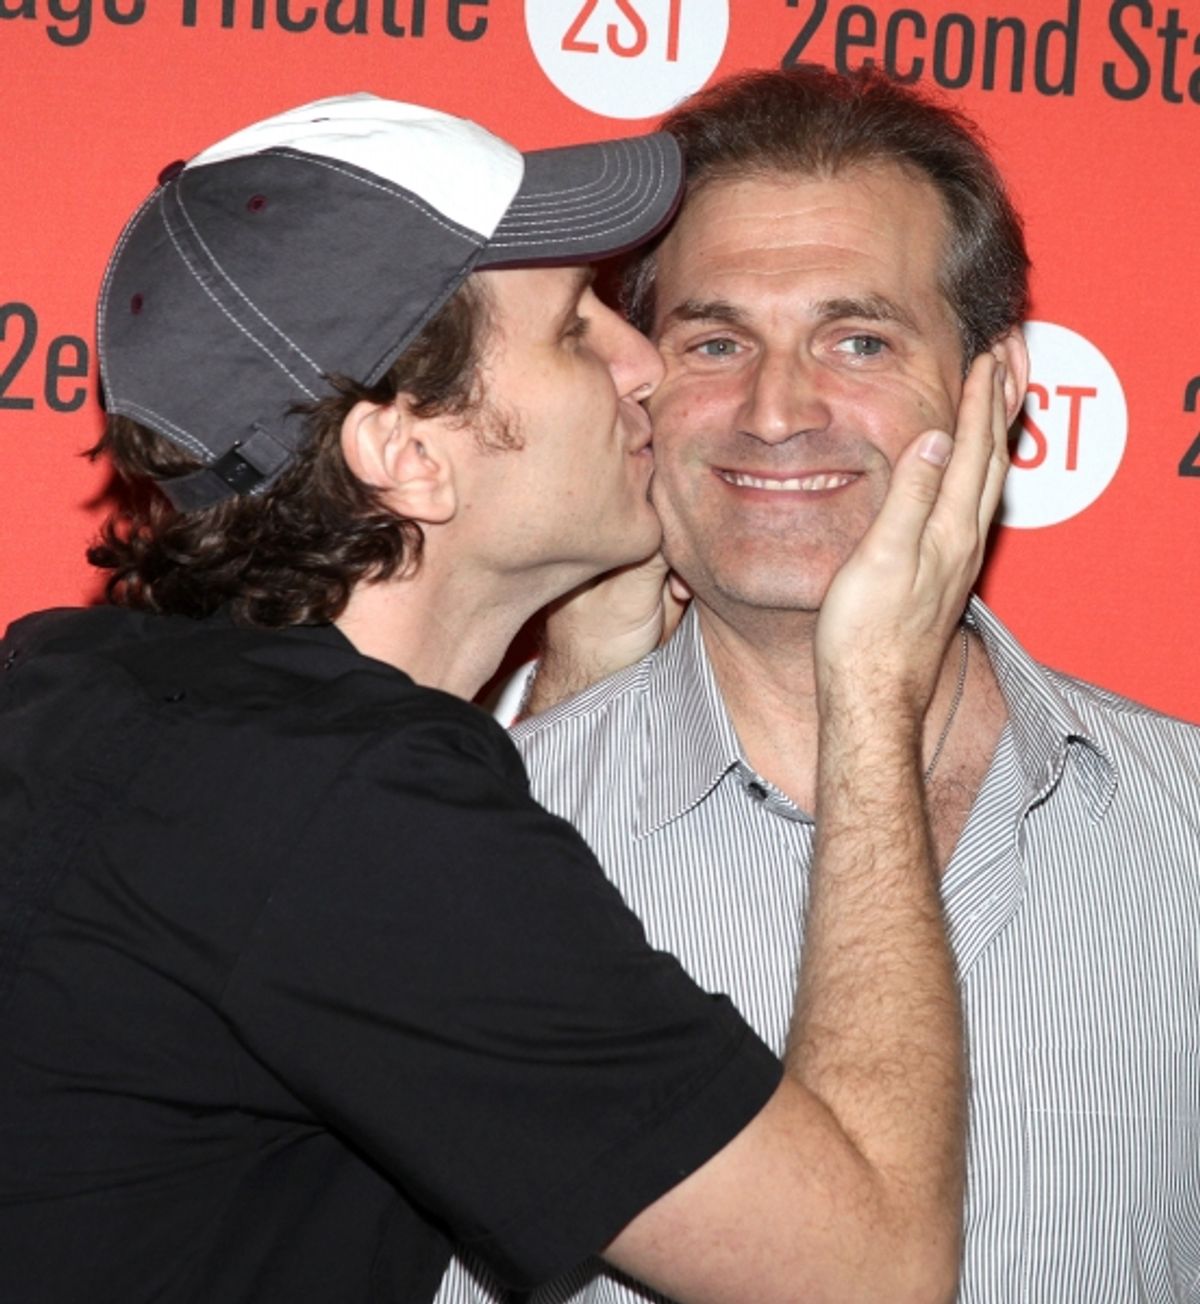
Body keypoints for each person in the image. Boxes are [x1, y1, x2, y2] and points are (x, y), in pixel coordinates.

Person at [0, 92, 1009, 1304]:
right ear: (409, 455)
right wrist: (874, 696)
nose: (647, 365)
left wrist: (577, 670)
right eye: (577, 328)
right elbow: (871, 1272)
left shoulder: (112, 709)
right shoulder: (345, 812)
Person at [435, 65, 1200, 1304]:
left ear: (995, 393)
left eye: (857, 339)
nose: (778, 409)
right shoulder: (467, 853)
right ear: (639, 386)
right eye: (717, 339)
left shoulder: (1187, 828)